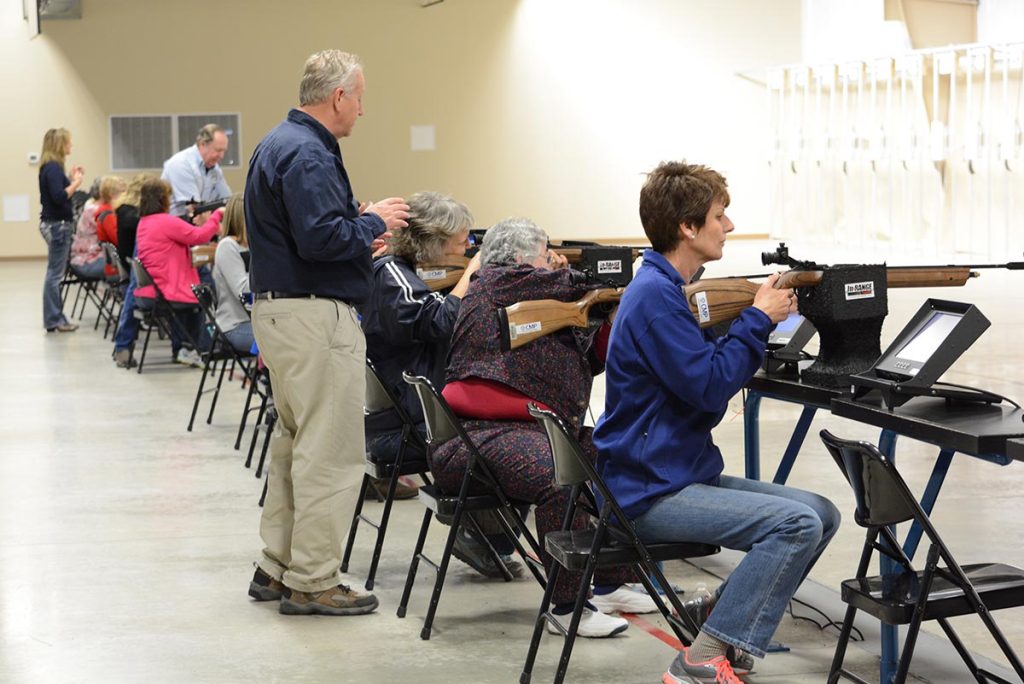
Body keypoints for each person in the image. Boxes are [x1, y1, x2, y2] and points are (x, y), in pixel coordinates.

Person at [592, 161, 841, 684]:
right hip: (647, 492)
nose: (728, 225)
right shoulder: (658, 298)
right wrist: (755, 319)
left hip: (670, 473)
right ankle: (700, 657)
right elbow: (708, 388)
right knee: (795, 525)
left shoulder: (664, 289)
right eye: (719, 215)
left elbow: (700, 396)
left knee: (821, 511)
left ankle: (718, 621)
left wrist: (737, 328)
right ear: (687, 227)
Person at [429, 217, 658, 638]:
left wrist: (612, 316)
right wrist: (606, 276)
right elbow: (566, 284)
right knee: (561, 475)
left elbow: (589, 359)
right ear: (519, 260)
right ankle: (568, 606)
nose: (553, 261)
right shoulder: (499, 281)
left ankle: (610, 581)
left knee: (622, 454)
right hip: (476, 437)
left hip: (528, 431)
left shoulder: (540, 301)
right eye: (545, 253)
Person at [244, 49, 409, 617]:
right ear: (338, 96)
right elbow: (319, 240)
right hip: (314, 318)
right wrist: (372, 222)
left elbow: (309, 235)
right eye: (360, 97)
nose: (362, 110)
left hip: (281, 312)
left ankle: (277, 564)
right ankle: (313, 580)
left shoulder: (277, 143)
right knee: (333, 452)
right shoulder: (310, 152)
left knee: (295, 443)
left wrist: (356, 231)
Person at [361, 191, 507, 569]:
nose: (467, 247)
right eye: (462, 243)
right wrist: (473, 274)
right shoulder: (391, 272)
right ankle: (482, 536)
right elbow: (439, 321)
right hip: (407, 425)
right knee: (505, 441)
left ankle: (487, 538)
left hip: (405, 415)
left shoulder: (396, 271)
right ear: (436, 242)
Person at [134, 178, 222, 367]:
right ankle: (195, 348)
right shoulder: (165, 222)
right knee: (202, 297)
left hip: (152, 289)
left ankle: (183, 347)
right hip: (166, 291)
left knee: (193, 299)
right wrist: (217, 216)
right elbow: (201, 236)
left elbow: (183, 237)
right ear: (162, 199)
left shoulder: (145, 222)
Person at [37, 127, 84, 333]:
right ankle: (54, 319)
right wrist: (76, 182)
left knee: (54, 273)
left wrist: (71, 179)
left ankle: (55, 317)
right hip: (58, 226)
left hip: (54, 224)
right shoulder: (53, 168)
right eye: (68, 142)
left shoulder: (51, 168)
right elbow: (59, 197)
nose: (71, 146)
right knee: (55, 275)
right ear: (60, 145)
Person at [111, 173, 153, 368]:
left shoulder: (126, 211)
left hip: (133, 265)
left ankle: (123, 345)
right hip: (134, 268)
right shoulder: (129, 213)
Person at [211, 194, 254, 353]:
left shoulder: (252, 245)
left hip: (255, 320)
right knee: (279, 342)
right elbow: (242, 290)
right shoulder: (228, 246)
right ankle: (266, 378)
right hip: (235, 326)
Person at [161, 123, 232, 218]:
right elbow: (194, 209)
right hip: (176, 224)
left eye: (224, 151)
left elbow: (227, 200)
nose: (222, 156)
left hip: (197, 224)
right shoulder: (180, 163)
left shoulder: (214, 168)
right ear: (203, 144)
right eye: (218, 150)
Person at [94, 175, 127, 279]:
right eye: (123, 193)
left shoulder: (106, 210)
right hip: (116, 268)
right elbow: (119, 241)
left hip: (116, 264)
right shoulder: (108, 215)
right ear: (113, 195)